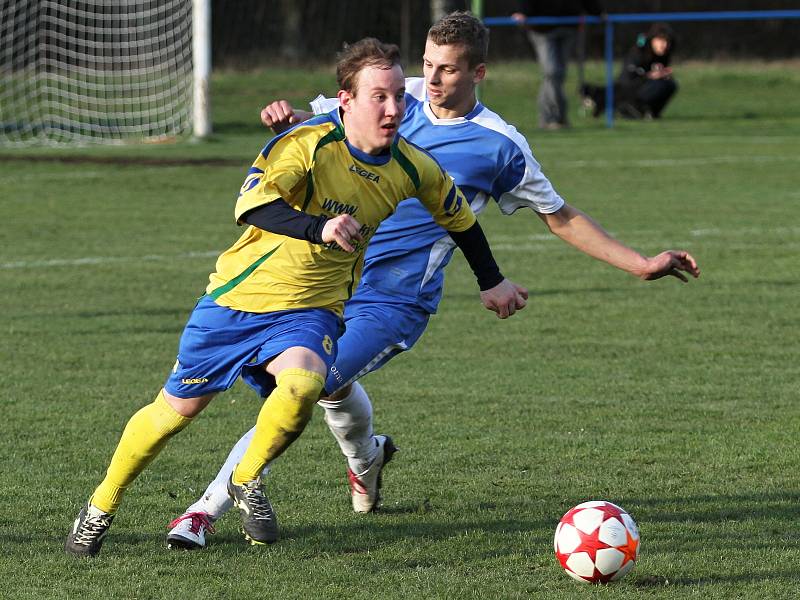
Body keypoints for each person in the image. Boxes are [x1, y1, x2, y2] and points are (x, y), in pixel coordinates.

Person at [165, 12, 699, 551]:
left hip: (393, 300)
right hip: (321, 280)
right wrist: (289, 116)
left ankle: (202, 512)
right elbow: (333, 117)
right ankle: (369, 456)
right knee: (326, 385)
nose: (432, 79)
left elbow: (557, 214)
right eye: (427, 64)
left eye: (446, 69)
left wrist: (639, 263)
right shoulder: (399, 95)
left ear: (479, 72)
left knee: (299, 389)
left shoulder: (500, 145)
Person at [64, 36, 528, 557]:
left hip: (313, 308)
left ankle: (244, 478)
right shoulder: (305, 143)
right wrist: (320, 227)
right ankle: (100, 505)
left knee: (306, 383)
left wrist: (492, 280)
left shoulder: (413, 167)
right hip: (239, 297)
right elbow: (251, 204)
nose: (395, 108)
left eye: (400, 95)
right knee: (175, 412)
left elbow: (462, 221)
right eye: (379, 97)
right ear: (346, 100)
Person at [512, 1, 603, 129]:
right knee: (551, 72)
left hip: (568, 26)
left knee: (558, 75)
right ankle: (553, 118)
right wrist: (522, 11)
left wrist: (597, 12)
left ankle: (556, 119)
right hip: (542, 28)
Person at [582, 22, 678, 120]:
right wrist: (650, 76)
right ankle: (627, 108)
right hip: (627, 89)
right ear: (652, 40)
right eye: (660, 40)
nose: (664, 45)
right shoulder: (638, 52)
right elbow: (627, 79)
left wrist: (663, 74)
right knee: (660, 84)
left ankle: (651, 113)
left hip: (642, 86)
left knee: (670, 84)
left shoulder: (664, 55)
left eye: (667, 42)